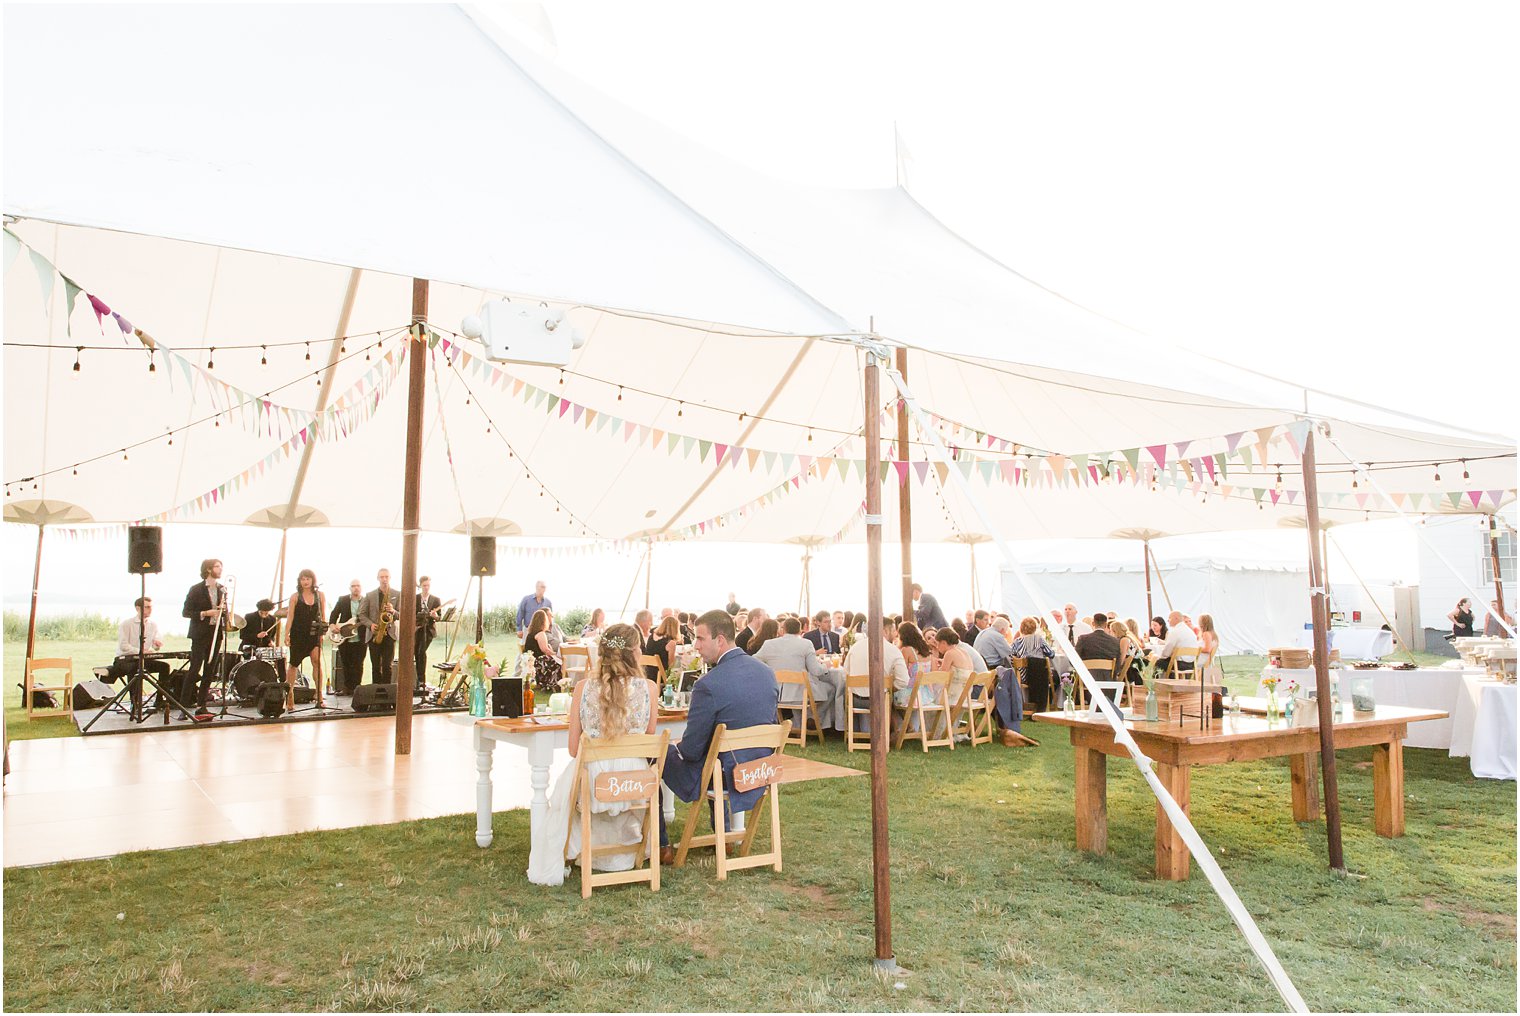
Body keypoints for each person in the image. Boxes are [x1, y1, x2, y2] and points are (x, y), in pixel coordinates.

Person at [528, 623, 661, 886]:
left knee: (570, 783)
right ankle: (624, 852)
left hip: (594, 782)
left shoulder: (583, 689)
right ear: (634, 651)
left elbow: (574, 749)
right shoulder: (649, 688)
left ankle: (585, 851)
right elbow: (648, 740)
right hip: (635, 783)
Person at [659, 610, 780, 863]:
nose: (696, 645)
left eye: (701, 639)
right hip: (759, 771)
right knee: (714, 755)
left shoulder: (708, 684)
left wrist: (676, 746)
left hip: (725, 775)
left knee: (661, 752)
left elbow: (691, 750)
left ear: (721, 640)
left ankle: (660, 843)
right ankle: (723, 833)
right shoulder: (767, 673)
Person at [755, 616, 846, 730]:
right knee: (832, 689)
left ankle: (799, 724)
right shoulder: (805, 644)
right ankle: (810, 717)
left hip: (777, 692)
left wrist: (770, 673)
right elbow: (816, 671)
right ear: (800, 630)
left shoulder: (769, 644)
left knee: (801, 690)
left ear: (783, 629)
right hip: (800, 692)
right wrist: (826, 666)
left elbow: (754, 661)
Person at [181, 558, 228, 719]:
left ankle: (202, 706)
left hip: (215, 633)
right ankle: (184, 705)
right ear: (208, 569)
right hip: (200, 633)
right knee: (195, 669)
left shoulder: (222, 589)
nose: (220, 569)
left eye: (221, 566)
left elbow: (225, 612)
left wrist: (225, 616)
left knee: (209, 670)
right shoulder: (196, 589)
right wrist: (205, 613)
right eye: (217, 566)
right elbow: (186, 612)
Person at [844, 621, 912, 731]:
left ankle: (854, 733)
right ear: (885, 630)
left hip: (855, 700)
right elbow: (903, 681)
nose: (895, 634)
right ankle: (892, 731)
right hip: (879, 701)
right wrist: (890, 688)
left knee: (845, 695)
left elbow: (845, 673)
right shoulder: (893, 650)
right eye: (893, 630)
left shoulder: (855, 647)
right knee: (889, 696)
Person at [110, 596, 170, 716]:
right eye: (147, 607)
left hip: (143, 659)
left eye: (151, 607)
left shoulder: (153, 625)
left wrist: (156, 645)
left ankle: (159, 700)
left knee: (164, 667)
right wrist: (140, 651)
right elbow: (123, 646)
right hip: (124, 660)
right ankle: (135, 702)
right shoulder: (127, 624)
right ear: (138, 608)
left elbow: (155, 643)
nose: (150, 610)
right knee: (134, 668)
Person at [284, 570, 328, 707]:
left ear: (313, 580)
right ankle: (289, 693)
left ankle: (319, 693)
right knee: (294, 664)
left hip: (314, 633)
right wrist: (286, 634)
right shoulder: (295, 597)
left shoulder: (320, 595)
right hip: (298, 634)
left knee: (316, 661)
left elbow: (323, 615)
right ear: (299, 581)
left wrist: (322, 633)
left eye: (308, 579)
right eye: (303, 579)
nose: (305, 581)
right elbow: (290, 617)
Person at [358, 569, 400, 685]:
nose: (384, 579)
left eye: (386, 577)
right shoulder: (370, 595)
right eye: (382, 577)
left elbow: (402, 615)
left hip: (389, 634)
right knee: (375, 667)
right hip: (374, 634)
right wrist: (370, 625)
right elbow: (361, 614)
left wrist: (393, 611)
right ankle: (376, 695)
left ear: (390, 578)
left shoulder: (397, 594)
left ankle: (386, 695)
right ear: (378, 578)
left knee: (387, 666)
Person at [328, 579, 366, 694]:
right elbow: (334, 614)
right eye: (353, 586)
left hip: (361, 637)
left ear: (361, 587)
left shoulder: (366, 601)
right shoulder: (343, 600)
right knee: (346, 663)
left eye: (358, 586)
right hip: (344, 637)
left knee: (359, 664)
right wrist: (332, 625)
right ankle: (347, 687)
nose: (356, 588)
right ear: (349, 588)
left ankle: (357, 688)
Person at [1010, 616, 1055, 712]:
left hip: (1022, 676)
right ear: (1035, 628)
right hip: (1040, 676)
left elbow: (1011, 657)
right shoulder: (1040, 639)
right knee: (1053, 676)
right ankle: (1046, 706)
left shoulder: (1017, 642)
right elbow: (1051, 654)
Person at [412, 575, 442, 696]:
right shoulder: (416, 598)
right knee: (416, 652)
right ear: (420, 586)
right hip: (417, 629)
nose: (426, 588)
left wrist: (435, 616)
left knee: (421, 652)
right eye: (424, 585)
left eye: (428, 585)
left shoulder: (435, 599)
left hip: (428, 630)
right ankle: (418, 680)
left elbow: (439, 616)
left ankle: (422, 681)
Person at [523, 608, 563, 692]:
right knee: (559, 663)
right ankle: (553, 684)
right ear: (544, 622)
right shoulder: (541, 634)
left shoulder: (530, 634)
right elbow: (545, 650)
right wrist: (557, 655)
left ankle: (543, 683)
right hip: (539, 662)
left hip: (530, 661)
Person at [1155, 609, 1200, 675]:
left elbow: (1166, 653)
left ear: (1176, 618)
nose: (1168, 621)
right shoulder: (1190, 631)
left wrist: (1159, 656)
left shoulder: (1174, 632)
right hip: (1191, 664)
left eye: (1169, 618)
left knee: (1158, 663)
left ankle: (1153, 684)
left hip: (1179, 665)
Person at [1110, 620, 1144, 684]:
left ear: (1115, 631)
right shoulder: (1128, 637)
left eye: (1111, 631)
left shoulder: (1124, 640)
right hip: (1134, 664)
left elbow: (1123, 655)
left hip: (1131, 667)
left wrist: (1118, 669)